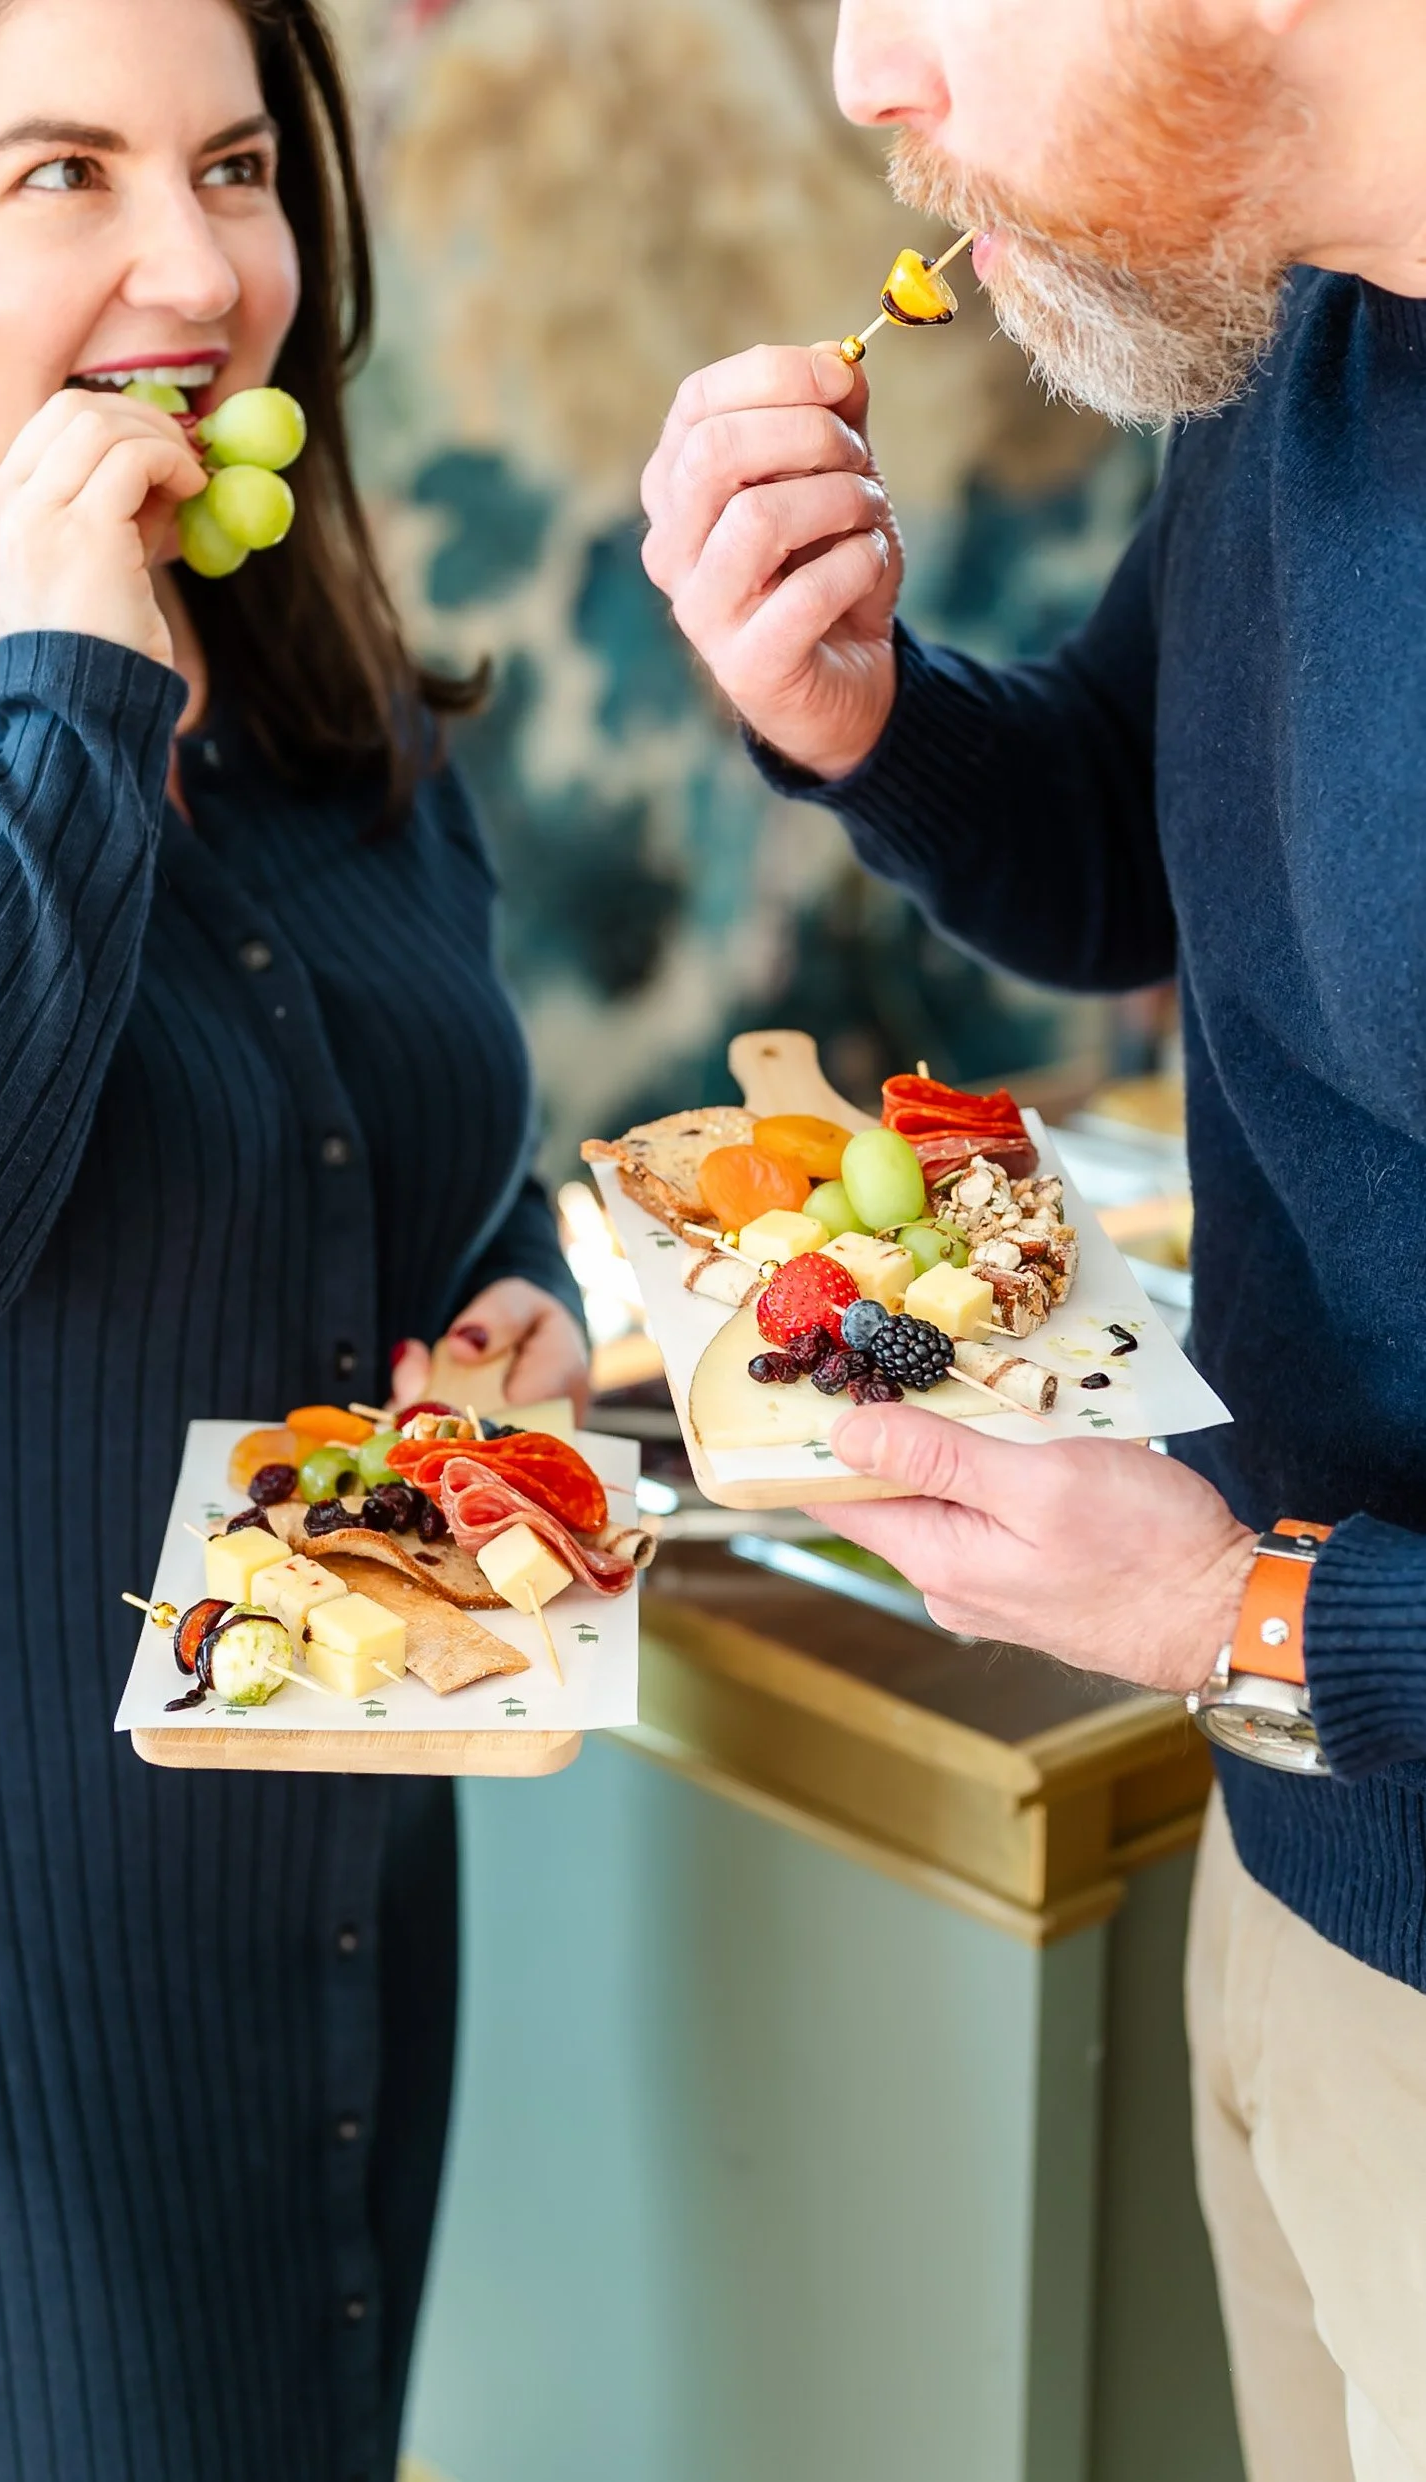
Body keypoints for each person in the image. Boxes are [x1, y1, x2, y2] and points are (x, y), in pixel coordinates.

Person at [0, 0, 586, 2475]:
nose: (199, 266)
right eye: (64, 172)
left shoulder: (304, 659)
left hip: (350, 1924)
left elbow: (427, 1126)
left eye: (233, 166)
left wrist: (521, 1299)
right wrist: (66, 698)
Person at [640, 0, 1426, 2476]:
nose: (861, 73)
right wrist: (857, 713)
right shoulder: (1304, 316)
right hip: (1294, 1841)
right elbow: (1138, 827)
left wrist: (1246, 1611)